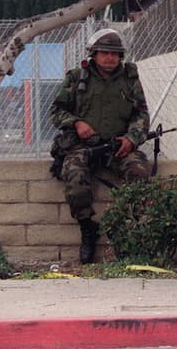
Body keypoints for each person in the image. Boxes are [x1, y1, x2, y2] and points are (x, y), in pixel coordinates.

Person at [49, 28, 151, 264]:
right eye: (104, 52)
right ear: (94, 54)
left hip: (118, 146)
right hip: (84, 146)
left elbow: (141, 114)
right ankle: (87, 229)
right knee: (73, 175)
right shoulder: (77, 78)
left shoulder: (129, 79)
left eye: (115, 54)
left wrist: (131, 139)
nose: (110, 58)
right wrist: (76, 123)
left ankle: (126, 229)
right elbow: (56, 111)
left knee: (139, 173)